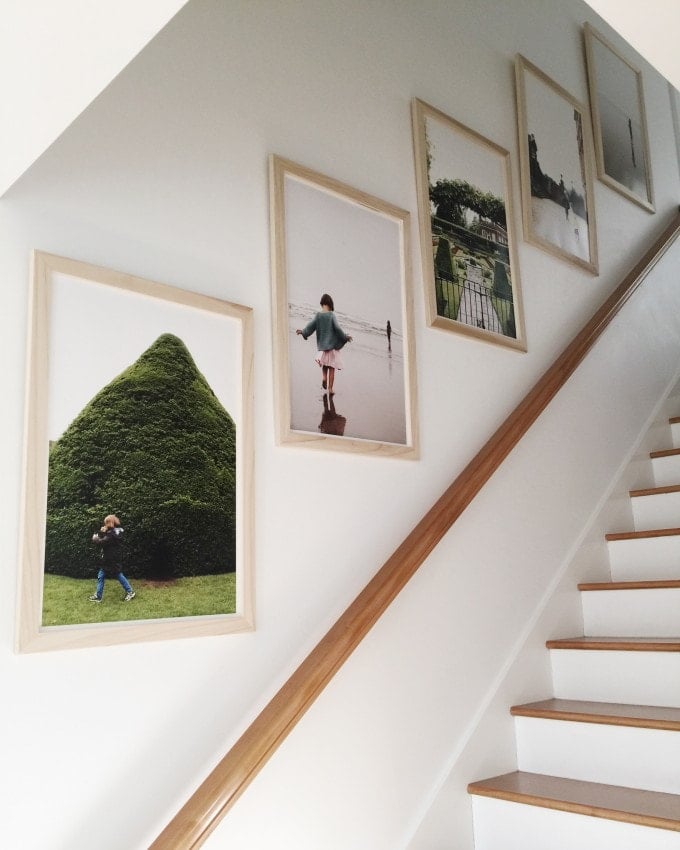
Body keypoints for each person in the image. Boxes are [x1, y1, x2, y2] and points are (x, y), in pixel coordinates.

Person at [296, 293, 352, 395]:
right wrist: (345, 337)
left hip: (322, 347)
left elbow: (310, 326)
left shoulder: (318, 316)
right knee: (332, 368)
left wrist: (303, 332)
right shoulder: (331, 315)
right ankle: (330, 389)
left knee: (325, 365)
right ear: (330, 304)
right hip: (331, 347)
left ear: (322, 304)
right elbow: (338, 329)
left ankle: (323, 377)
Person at [89, 514, 136, 602]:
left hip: (110, 559)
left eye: (106, 523)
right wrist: (104, 532)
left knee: (117, 575)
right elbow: (108, 541)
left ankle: (130, 592)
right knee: (102, 575)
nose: (105, 524)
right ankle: (98, 596)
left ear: (110, 522)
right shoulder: (117, 531)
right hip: (112, 558)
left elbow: (102, 542)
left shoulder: (111, 534)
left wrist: (95, 538)